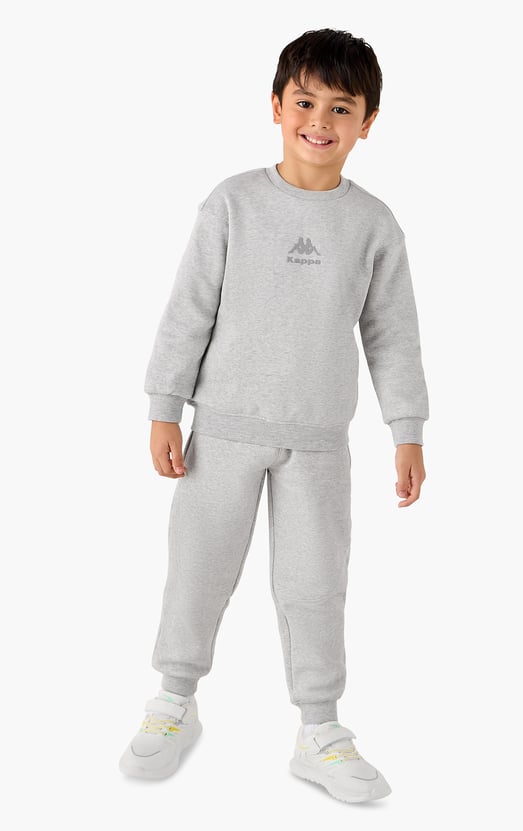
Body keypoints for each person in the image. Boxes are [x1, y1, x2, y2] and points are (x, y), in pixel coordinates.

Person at [119, 27, 429, 803]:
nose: (319, 120)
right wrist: (164, 406)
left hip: (319, 444)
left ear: (367, 122)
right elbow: (189, 308)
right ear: (275, 106)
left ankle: (319, 729)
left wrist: (406, 429)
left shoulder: (373, 225)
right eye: (304, 102)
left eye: (340, 107)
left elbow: (391, 334)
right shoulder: (233, 203)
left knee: (315, 586)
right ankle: (173, 700)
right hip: (222, 432)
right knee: (198, 570)